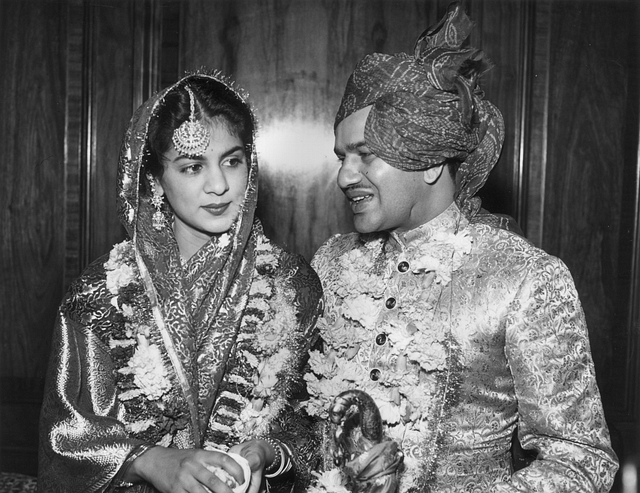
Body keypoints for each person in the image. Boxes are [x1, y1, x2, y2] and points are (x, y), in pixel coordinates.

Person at [303, 3, 618, 492]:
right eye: (342, 156)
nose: (344, 176)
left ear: (429, 160)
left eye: (365, 155)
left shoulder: (522, 278)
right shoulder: (332, 262)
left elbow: (582, 460)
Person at [38, 71, 322, 493]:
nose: (220, 185)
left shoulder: (291, 285)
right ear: (154, 177)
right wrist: (150, 462)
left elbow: (315, 422)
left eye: (233, 160)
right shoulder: (100, 295)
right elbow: (67, 436)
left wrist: (270, 453)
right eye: (192, 166)